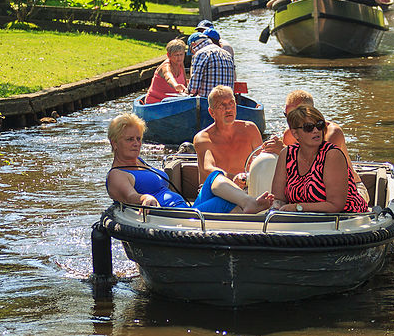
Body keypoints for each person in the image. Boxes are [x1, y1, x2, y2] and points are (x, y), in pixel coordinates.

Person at [105, 113, 256, 212]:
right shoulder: (117, 174)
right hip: (178, 219)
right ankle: (253, 214)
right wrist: (144, 198)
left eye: (138, 138)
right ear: (115, 143)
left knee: (214, 175)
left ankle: (249, 201)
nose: (136, 143)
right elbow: (130, 196)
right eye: (130, 139)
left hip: (186, 209)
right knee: (225, 202)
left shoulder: (138, 161)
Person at [192, 86, 277, 213]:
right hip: (211, 197)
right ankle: (248, 206)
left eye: (231, 103)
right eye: (222, 105)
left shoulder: (250, 129)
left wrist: (277, 149)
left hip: (247, 193)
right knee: (216, 178)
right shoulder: (203, 138)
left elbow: (261, 161)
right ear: (211, 112)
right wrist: (232, 178)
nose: (228, 108)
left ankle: (249, 206)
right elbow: (208, 168)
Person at [270, 104, 368, 213]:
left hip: (344, 218)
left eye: (320, 125)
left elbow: (336, 205)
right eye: (309, 127)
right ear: (295, 133)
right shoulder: (286, 154)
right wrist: (276, 206)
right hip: (302, 219)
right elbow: (278, 198)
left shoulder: (332, 155)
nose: (316, 130)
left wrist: (297, 207)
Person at [187, 32, 235, 97]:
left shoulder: (201, 54)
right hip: (227, 100)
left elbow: (193, 88)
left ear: (193, 44)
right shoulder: (227, 54)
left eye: (191, 51)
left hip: (208, 101)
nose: (192, 53)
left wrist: (187, 91)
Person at [143, 38, 187, 104]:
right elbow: (168, 76)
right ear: (168, 55)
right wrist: (175, 85)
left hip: (173, 101)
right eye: (176, 55)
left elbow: (184, 81)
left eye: (181, 54)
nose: (179, 58)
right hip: (156, 102)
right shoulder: (165, 66)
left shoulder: (180, 63)